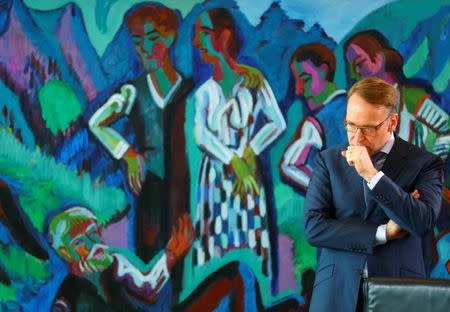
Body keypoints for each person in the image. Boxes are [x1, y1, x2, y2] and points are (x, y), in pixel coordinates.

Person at [304, 77, 443, 311]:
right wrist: (382, 233)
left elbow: (422, 221)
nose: (357, 138)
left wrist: (372, 176)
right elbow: (314, 227)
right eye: (350, 125)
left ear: (392, 122)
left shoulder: (425, 163)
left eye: (368, 128)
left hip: (400, 292)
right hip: (335, 292)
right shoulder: (328, 161)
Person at [185, 6, 286, 302]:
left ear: (223, 36)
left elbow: (277, 123)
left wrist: (249, 153)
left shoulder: (253, 83)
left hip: (248, 173)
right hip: (216, 177)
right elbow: (201, 135)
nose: (197, 43)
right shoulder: (205, 91)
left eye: (203, 35)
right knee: (215, 239)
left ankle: (253, 300)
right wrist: (232, 160)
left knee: (250, 235)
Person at [89, 4, 193, 261]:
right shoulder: (132, 92)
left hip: (189, 193)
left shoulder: (192, 92)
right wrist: (128, 153)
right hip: (151, 192)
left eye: (152, 39)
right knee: (151, 258)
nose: (144, 49)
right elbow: (96, 123)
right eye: (137, 42)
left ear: (169, 38)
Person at [47, 206, 194, 311]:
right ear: (65, 252)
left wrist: (171, 255)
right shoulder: (68, 291)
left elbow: (146, 287)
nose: (91, 243)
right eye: (79, 242)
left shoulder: (112, 261)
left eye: (92, 232)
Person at [344, 30, 449, 159]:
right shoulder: (366, 113)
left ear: (379, 58)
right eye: (352, 71)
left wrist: (431, 167)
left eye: (359, 64)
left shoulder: (412, 98)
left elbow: (447, 131)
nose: (356, 75)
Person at [280, 43, 347, 191]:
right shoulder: (361, 104)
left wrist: (326, 193)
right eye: (296, 82)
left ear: (324, 71)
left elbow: (290, 164)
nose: (298, 90)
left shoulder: (317, 122)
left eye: (305, 79)